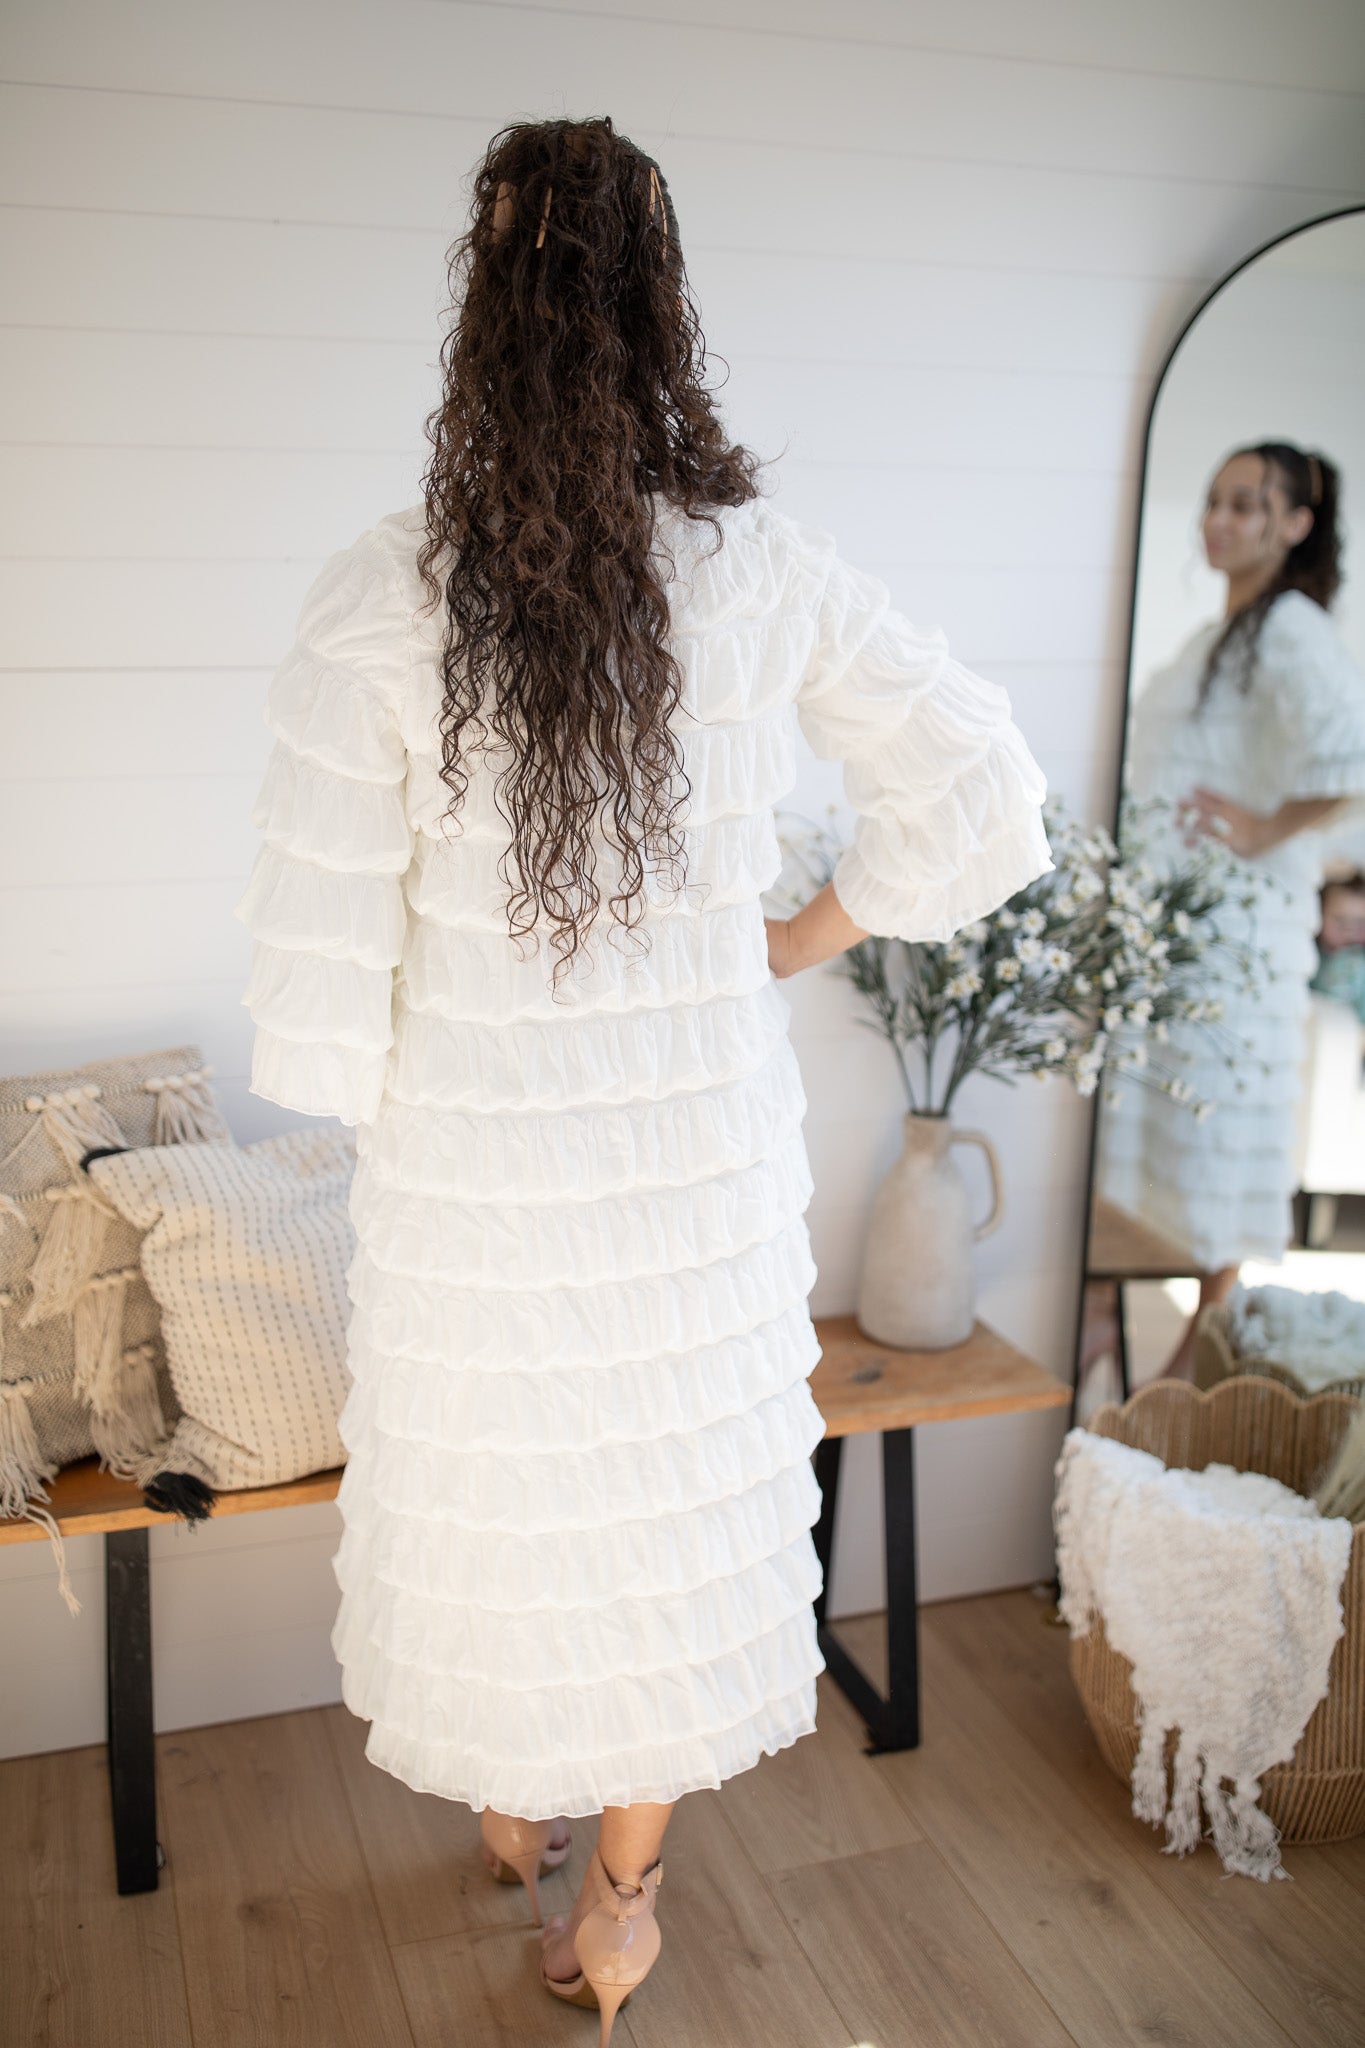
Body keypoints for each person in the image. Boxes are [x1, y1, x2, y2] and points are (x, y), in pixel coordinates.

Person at [233, 115, 1052, 2039]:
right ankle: (623, 1900)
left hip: (479, 1160)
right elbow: (980, 790)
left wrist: (386, 1061)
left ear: (485, 307)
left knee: (509, 1487)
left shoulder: (388, 590)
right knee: (666, 1506)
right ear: (659, 304)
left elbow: (327, 957)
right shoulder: (761, 572)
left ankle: (509, 1808)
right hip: (692, 1161)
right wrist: (791, 938)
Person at [1097, 442, 1365, 1382]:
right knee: (1149, 1131)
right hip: (1176, 930)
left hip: (1239, 938)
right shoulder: (1217, 639)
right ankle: (1109, 1326)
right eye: (1214, 500)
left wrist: (1261, 828)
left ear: (1294, 524)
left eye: (1245, 504)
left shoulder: (1290, 627)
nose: (1218, 520)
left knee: (1221, 1139)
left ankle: (1193, 1355)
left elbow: (1352, 754)